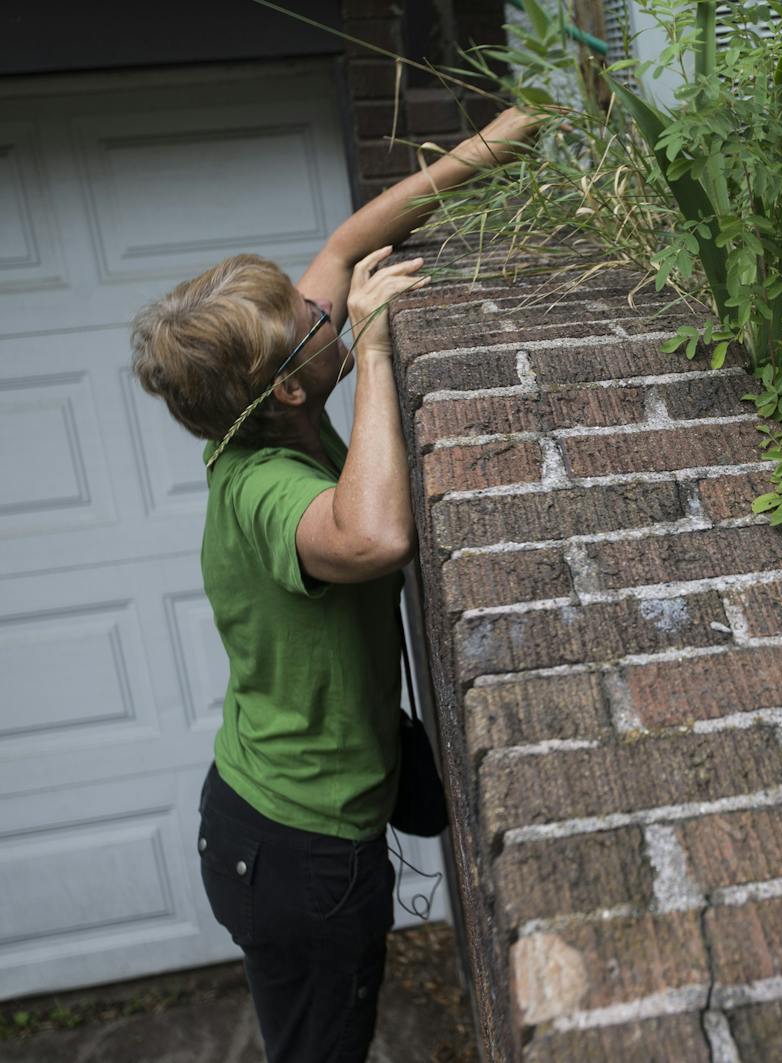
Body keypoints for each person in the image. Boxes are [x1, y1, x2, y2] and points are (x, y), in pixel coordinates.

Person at [130, 105, 540, 1062]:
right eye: (313, 318)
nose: (326, 304)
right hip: (296, 846)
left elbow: (354, 234)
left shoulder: (271, 395)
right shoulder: (265, 488)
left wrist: (519, 127)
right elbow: (378, 534)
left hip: (277, 821)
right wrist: (375, 347)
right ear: (288, 384)